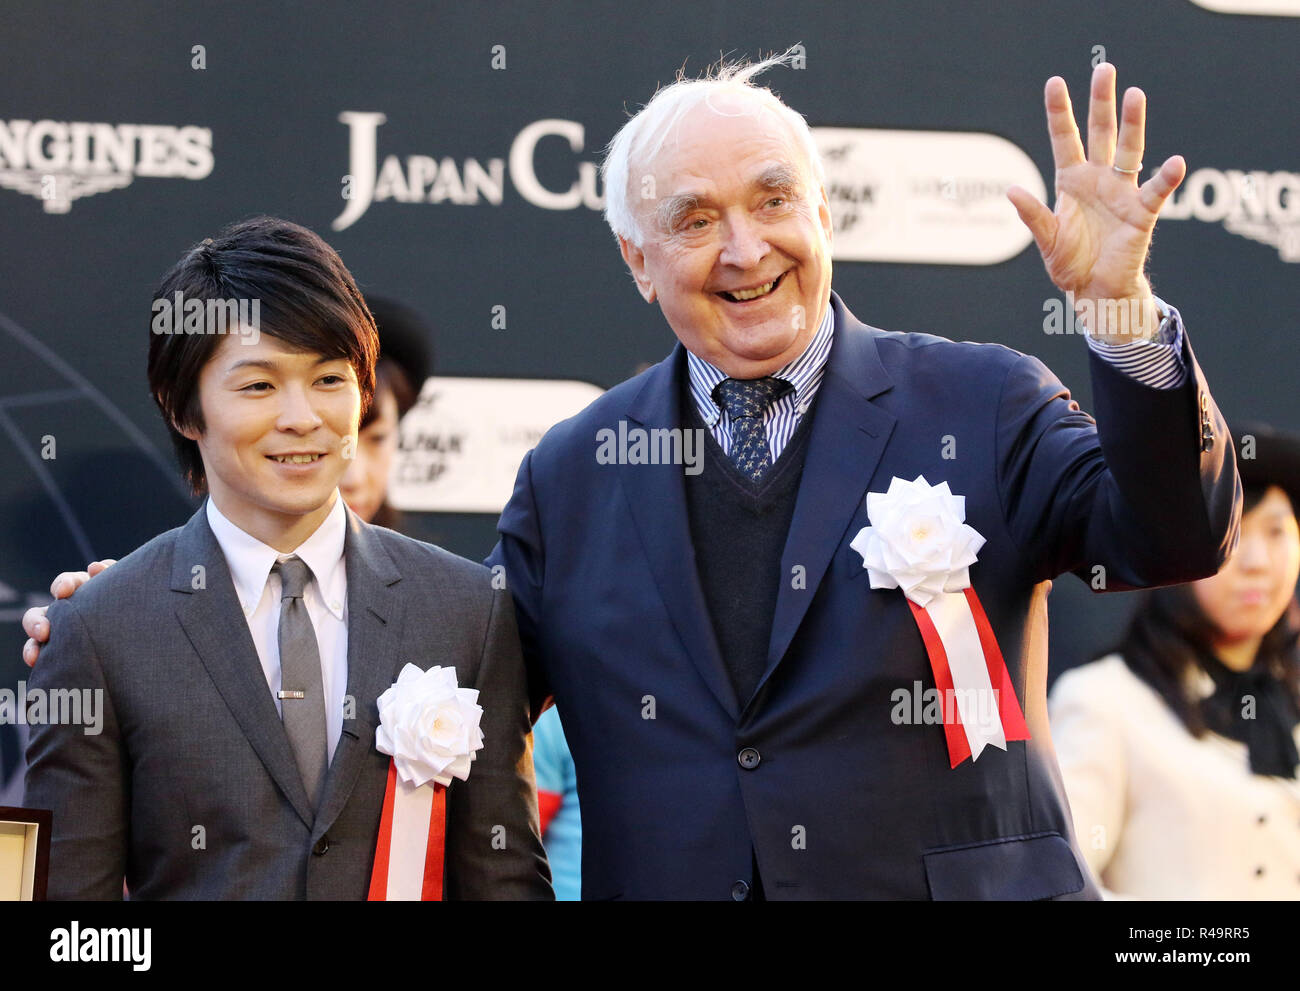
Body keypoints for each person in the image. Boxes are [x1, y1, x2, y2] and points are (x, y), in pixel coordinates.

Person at [25, 53, 1240, 900]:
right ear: (634, 258)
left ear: (826, 212)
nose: (743, 246)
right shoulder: (571, 472)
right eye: (694, 216)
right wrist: (156, 612)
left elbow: (1170, 535)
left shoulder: (982, 400)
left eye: (774, 201)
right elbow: (435, 663)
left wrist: (1122, 311)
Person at [21, 217, 551, 899]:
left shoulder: (467, 608)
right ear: (182, 407)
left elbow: (503, 882)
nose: (303, 417)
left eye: (329, 378)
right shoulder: (100, 629)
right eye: (259, 386)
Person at [1049, 423, 1300, 898]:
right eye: (1233, 533)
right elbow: (1061, 881)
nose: (1258, 562)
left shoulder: (1290, 696)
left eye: (1276, 530)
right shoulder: (1104, 700)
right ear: (1177, 550)